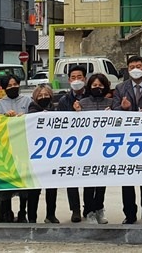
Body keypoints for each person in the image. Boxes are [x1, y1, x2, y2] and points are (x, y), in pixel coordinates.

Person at [112, 55, 142, 225]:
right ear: (127, 68)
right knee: (127, 178)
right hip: (126, 138)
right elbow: (115, 108)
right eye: (132, 66)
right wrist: (125, 108)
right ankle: (130, 213)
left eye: (139, 65)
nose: (135, 69)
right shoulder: (120, 87)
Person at [0, 74, 33, 223]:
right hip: (6, 148)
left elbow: (36, 117)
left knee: (24, 182)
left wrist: (26, 116)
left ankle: (23, 212)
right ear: (4, 88)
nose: (13, 87)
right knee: (6, 182)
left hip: (24, 147)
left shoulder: (27, 101)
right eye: (9, 86)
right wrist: (4, 117)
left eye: (15, 84)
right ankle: (6, 212)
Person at [74, 74, 113, 224]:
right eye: (94, 85)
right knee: (89, 182)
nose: (98, 88)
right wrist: (76, 113)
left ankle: (99, 209)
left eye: (101, 85)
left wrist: (119, 110)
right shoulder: (82, 103)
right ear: (89, 86)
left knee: (102, 182)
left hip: (105, 149)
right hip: (88, 149)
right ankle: (89, 211)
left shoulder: (111, 102)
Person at [57, 65, 88, 223]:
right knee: (72, 178)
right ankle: (75, 209)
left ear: (85, 79)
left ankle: (89, 209)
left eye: (80, 77)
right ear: (69, 80)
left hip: (91, 143)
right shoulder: (64, 100)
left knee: (90, 177)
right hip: (71, 144)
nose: (77, 80)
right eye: (73, 78)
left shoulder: (92, 96)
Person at [27, 84, 59, 224]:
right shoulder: (31, 111)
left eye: (46, 95)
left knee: (52, 189)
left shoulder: (56, 110)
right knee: (34, 190)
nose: (44, 98)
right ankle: (32, 217)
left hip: (53, 155)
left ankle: (51, 215)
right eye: (40, 95)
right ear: (35, 98)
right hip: (35, 157)